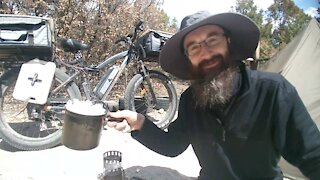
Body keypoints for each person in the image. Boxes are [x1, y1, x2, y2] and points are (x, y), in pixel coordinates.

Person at [106, 11, 320, 179]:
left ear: (228, 42)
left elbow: (312, 156)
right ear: (187, 58)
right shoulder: (190, 100)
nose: (205, 52)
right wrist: (140, 123)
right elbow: (173, 146)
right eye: (194, 47)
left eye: (212, 40)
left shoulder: (273, 91)